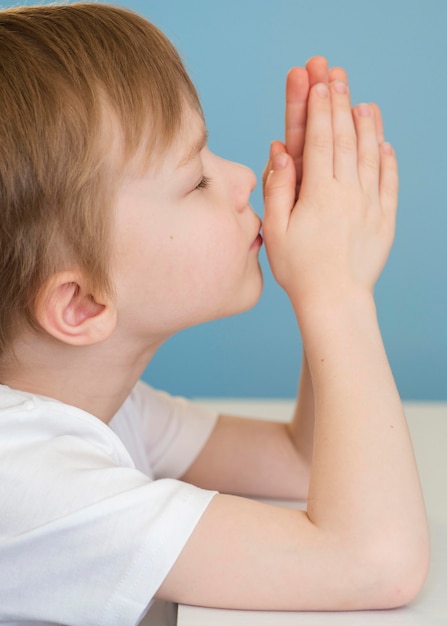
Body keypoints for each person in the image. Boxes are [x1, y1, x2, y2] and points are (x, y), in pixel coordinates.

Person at [0, 3, 429, 626]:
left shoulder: (104, 408)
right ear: (82, 303)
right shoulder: (27, 478)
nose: (239, 177)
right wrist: (337, 291)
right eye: (194, 180)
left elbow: (300, 460)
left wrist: (324, 276)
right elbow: (370, 561)